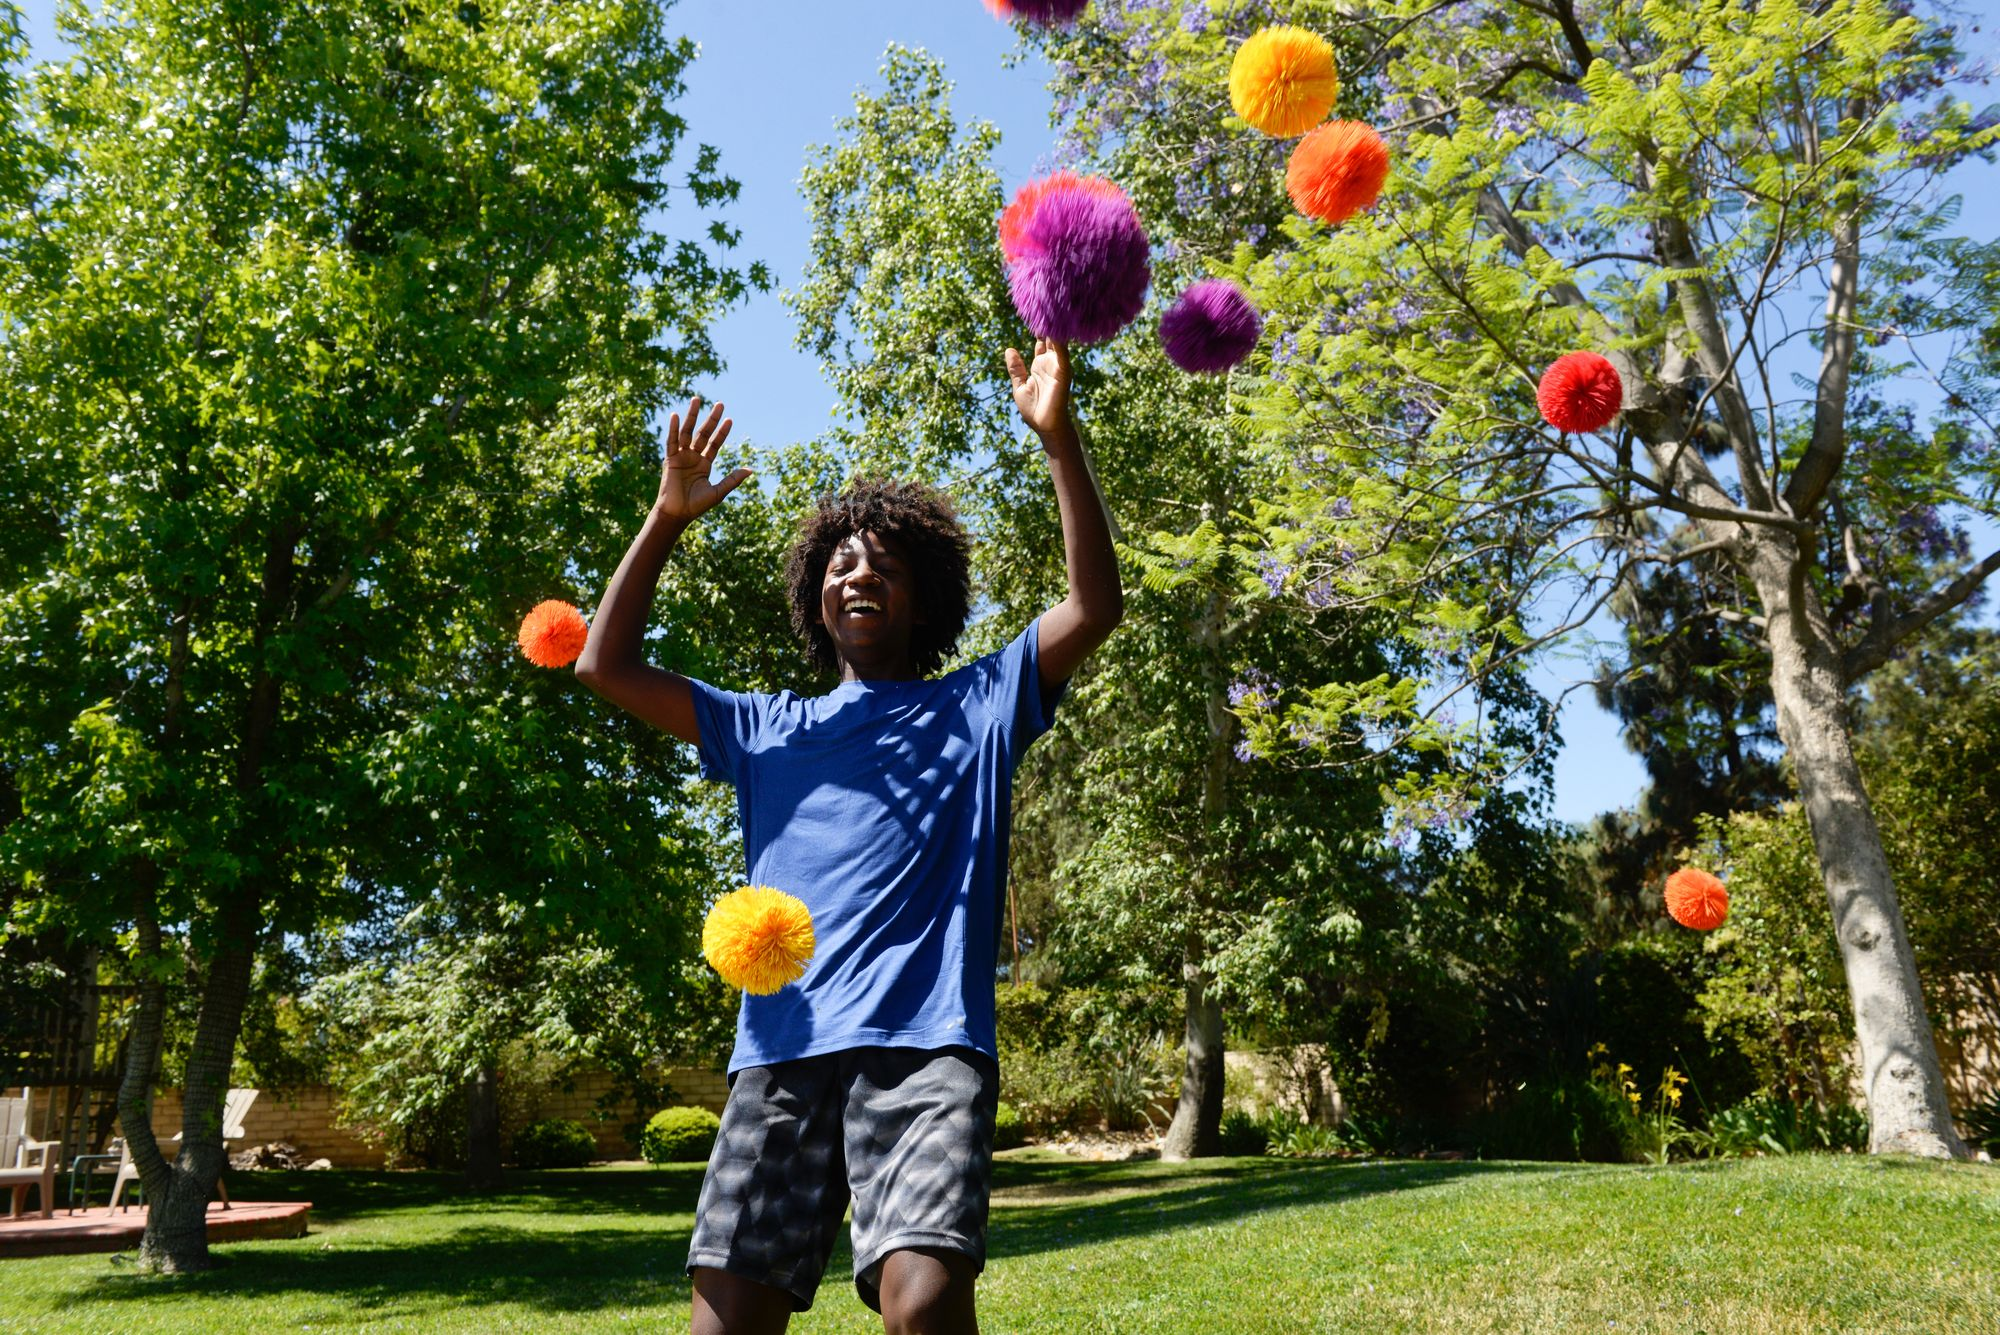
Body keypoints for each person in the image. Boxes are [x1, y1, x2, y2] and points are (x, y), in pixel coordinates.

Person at [575, 338, 1122, 1335]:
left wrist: (1058, 439)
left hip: (927, 1050)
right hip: (781, 1052)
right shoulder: (762, 728)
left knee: (923, 1306)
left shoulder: (978, 705)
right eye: (841, 561)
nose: (860, 572)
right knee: (722, 1326)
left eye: (886, 564)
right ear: (815, 598)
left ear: (923, 598)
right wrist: (664, 520)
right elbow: (602, 667)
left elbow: (1093, 607)